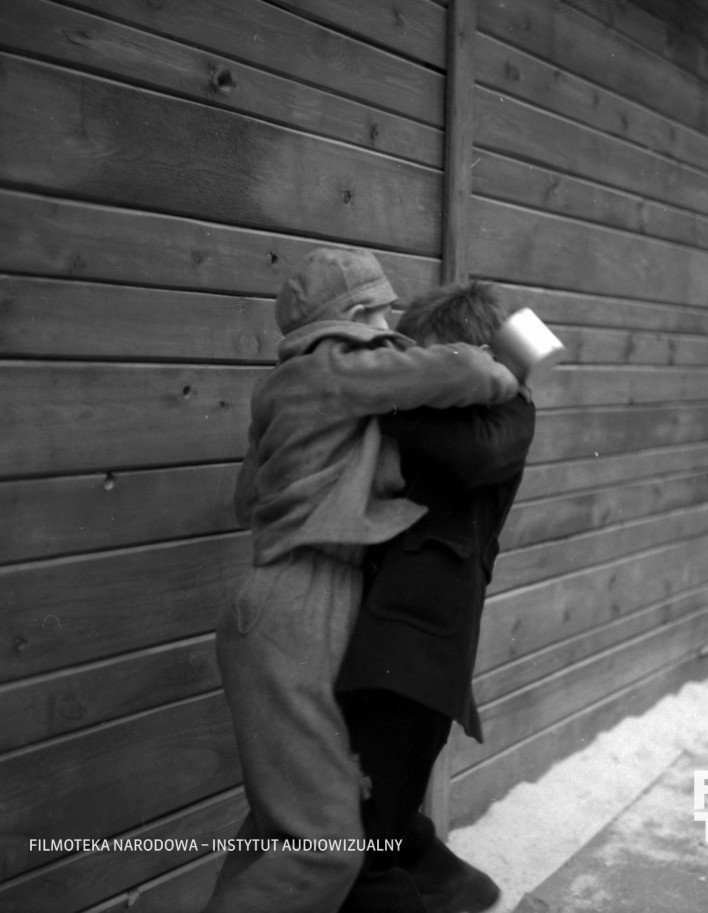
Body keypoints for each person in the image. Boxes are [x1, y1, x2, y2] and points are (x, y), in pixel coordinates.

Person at [204, 249, 521, 913]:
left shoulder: (291, 385)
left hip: (290, 594)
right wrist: (509, 371)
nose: (393, 328)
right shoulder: (338, 367)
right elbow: (464, 368)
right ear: (353, 316)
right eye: (383, 314)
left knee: (288, 824)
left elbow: (245, 500)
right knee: (322, 844)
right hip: (301, 596)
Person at [336, 281, 537, 913]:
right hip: (377, 644)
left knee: (364, 850)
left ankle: (452, 891)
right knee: (377, 820)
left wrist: (384, 398)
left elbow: (471, 456)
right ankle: (460, 890)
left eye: (434, 362)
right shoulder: (446, 413)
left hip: (420, 652)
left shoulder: (509, 412)